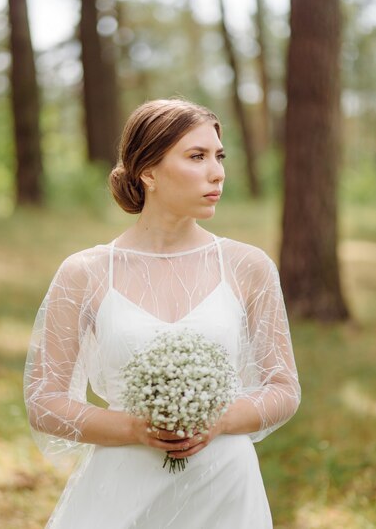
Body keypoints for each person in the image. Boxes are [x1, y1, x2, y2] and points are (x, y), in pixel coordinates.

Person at [24, 98, 301, 529]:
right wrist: (135, 429)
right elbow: (45, 401)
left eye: (218, 156)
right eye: (197, 156)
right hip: (122, 487)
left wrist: (220, 420)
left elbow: (283, 388)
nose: (218, 172)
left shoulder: (249, 266)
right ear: (148, 171)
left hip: (224, 485)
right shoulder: (85, 272)